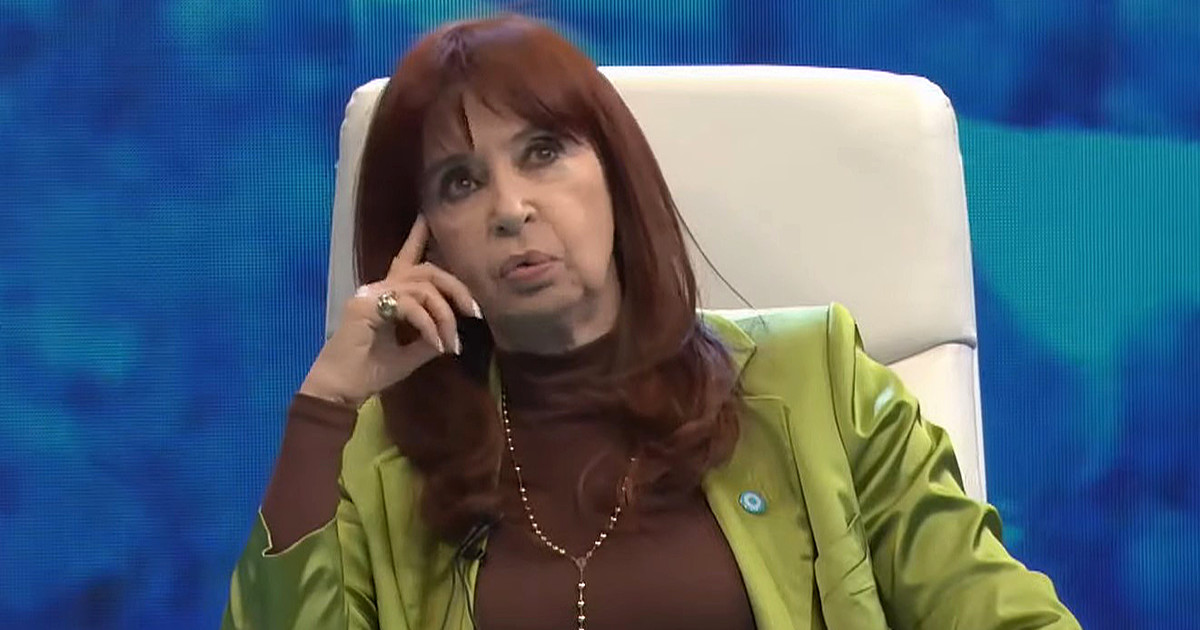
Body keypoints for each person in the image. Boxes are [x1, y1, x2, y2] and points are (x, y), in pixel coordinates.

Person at [221, 14, 1080, 630]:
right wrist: (325, 407)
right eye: (460, 182)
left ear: (614, 173)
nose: (511, 209)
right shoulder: (382, 458)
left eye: (543, 152)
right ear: (425, 238)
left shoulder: (817, 382)